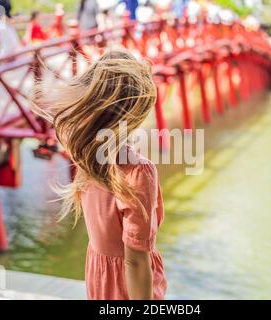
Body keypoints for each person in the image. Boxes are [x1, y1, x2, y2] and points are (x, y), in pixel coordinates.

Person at [34, 49, 167, 300]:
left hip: (100, 279)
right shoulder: (138, 172)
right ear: (134, 112)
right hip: (129, 290)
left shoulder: (86, 156)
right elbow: (136, 261)